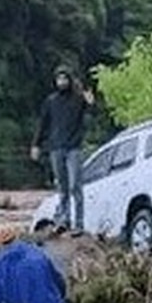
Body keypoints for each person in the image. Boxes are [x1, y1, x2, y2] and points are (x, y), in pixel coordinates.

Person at [30, 64, 95, 234]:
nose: (62, 81)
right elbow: (43, 124)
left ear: (70, 79)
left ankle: (79, 224)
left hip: (74, 147)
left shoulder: (78, 98)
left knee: (75, 186)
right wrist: (36, 144)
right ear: (55, 81)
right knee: (62, 186)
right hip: (55, 148)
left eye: (65, 78)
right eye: (59, 78)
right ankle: (64, 220)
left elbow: (91, 110)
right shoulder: (51, 101)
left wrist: (91, 102)